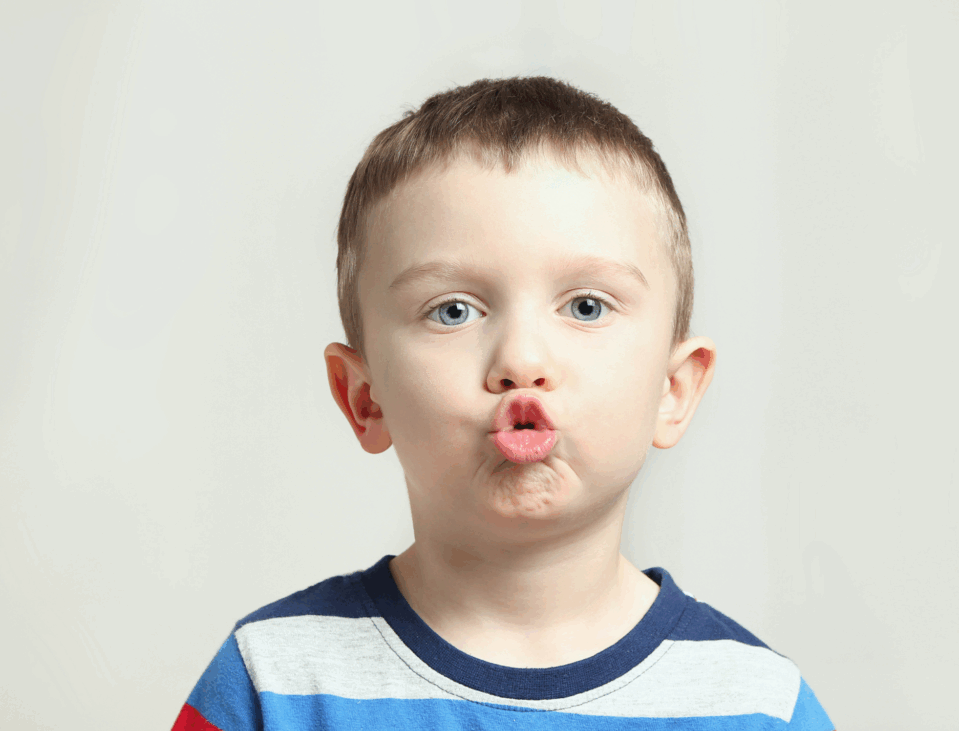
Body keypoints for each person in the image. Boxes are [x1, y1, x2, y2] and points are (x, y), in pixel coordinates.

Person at [172, 76, 835, 730]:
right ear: (364, 397)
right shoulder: (273, 683)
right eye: (453, 310)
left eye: (585, 305)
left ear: (673, 389)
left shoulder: (758, 706)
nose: (521, 359)